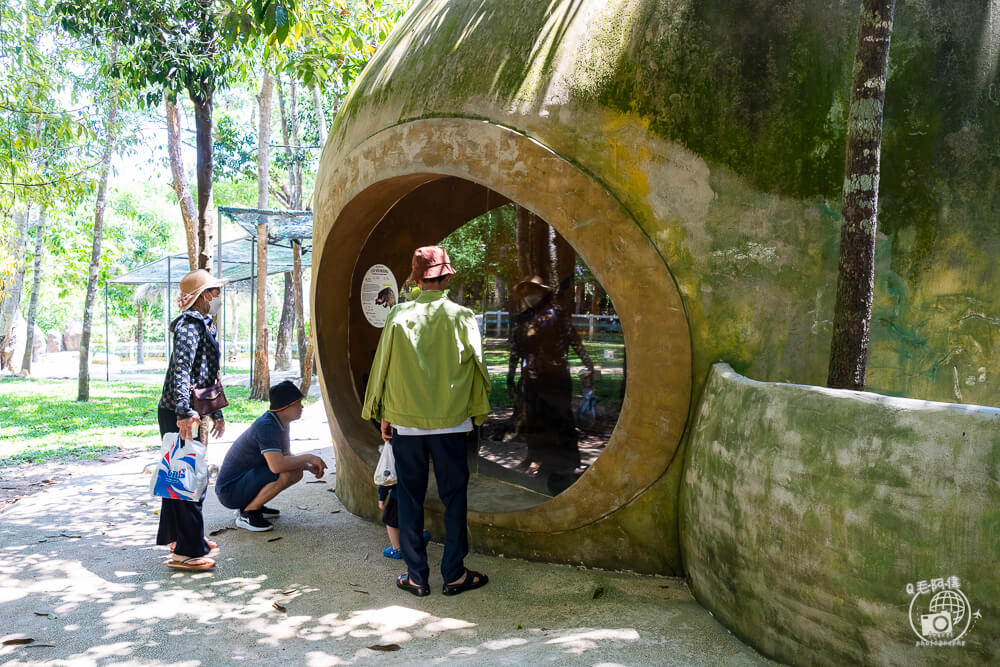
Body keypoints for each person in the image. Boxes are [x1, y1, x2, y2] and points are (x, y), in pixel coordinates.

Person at [362, 245, 491, 597]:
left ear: (415, 278)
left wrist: (383, 412)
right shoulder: (463, 316)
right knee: (455, 498)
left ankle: (417, 577)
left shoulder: (399, 316)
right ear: (447, 276)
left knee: (409, 497)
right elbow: (478, 369)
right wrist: (478, 411)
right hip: (452, 424)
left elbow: (383, 369)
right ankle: (454, 574)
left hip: (406, 424)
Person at [157, 269, 228, 571]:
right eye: (213, 292)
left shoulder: (203, 323)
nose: (217, 297)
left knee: (180, 476)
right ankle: (185, 552)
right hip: (181, 411)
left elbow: (207, 373)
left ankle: (183, 537)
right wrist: (184, 413)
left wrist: (216, 411)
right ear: (201, 296)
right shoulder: (188, 326)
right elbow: (182, 371)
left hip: (195, 408)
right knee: (187, 478)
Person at [507, 275, 595, 494]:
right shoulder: (524, 319)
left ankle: (568, 463)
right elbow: (516, 349)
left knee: (561, 419)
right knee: (537, 419)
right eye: (526, 293)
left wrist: (588, 364)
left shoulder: (556, 313)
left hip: (556, 377)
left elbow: (573, 338)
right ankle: (543, 462)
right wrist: (511, 374)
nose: (529, 297)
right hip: (532, 378)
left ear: (541, 293)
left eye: (533, 292)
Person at [215, 380, 327, 532]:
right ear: (284, 407)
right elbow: (277, 466)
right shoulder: (266, 425)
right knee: (286, 473)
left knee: (295, 471)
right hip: (230, 491)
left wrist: (307, 466)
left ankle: (254, 505)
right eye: (297, 404)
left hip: (244, 481)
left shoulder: (281, 423)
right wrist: (309, 457)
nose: (302, 407)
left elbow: (287, 456)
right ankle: (248, 513)